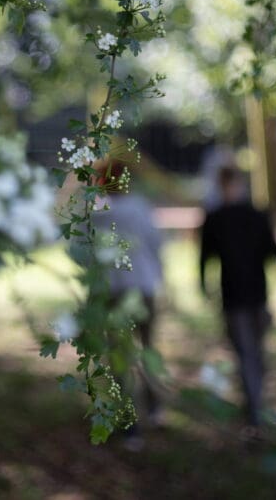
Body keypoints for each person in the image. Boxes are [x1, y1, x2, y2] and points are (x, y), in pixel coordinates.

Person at [198, 166, 276, 426]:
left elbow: (204, 260)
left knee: (249, 354)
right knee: (251, 354)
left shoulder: (221, 218)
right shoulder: (246, 216)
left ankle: (254, 407)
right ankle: (255, 408)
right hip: (248, 298)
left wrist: (203, 286)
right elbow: (275, 254)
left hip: (243, 298)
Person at [91, 159, 164, 448]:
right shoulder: (140, 209)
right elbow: (156, 244)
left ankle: (130, 424)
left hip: (114, 293)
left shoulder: (97, 213)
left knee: (120, 358)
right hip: (143, 288)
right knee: (148, 349)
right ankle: (154, 406)